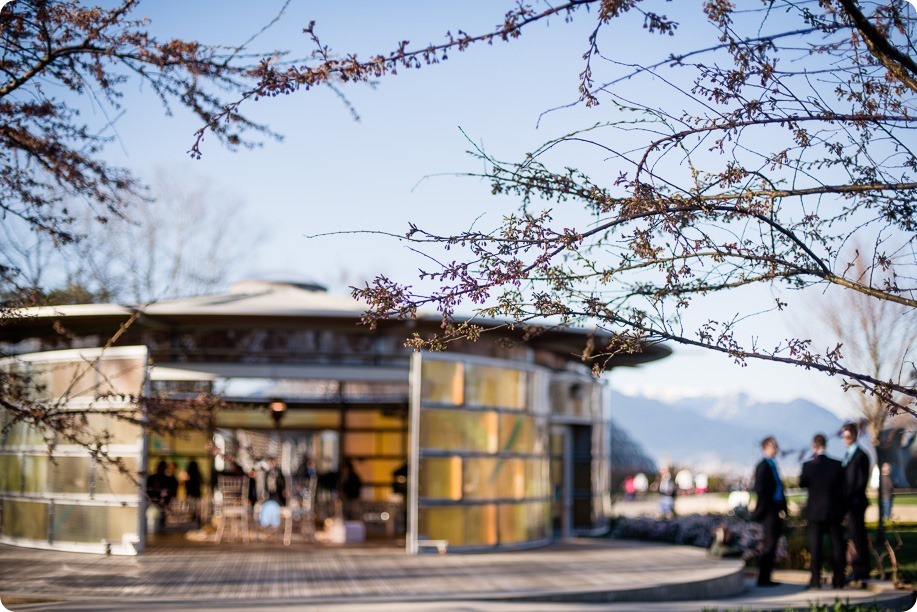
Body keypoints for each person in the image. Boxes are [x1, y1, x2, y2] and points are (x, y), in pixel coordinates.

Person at [799, 433, 845, 590]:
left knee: (816, 547)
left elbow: (802, 483)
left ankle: (815, 581)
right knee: (837, 547)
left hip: (815, 513)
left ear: (814, 445)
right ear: (826, 444)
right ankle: (839, 580)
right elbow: (842, 488)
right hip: (833, 511)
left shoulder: (808, 466)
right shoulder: (837, 464)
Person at [751, 436, 787, 587]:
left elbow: (779, 488)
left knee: (772, 543)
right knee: (769, 544)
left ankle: (766, 576)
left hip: (775, 509)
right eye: (773, 446)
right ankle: (763, 578)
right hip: (769, 511)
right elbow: (760, 489)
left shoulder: (772, 465)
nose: (776, 449)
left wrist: (783, 508)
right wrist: (770, 507)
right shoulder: (763, 466)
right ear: (765, 448)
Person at [842, 422, 871, 585]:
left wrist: (851, 497)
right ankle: (857, 568)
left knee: (859, 536)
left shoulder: (861, 455)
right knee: (854, 536)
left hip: (856, 503)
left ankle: (862, 569)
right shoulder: (848, 454)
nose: (845, 439)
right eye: (843, 436)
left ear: (854, 435)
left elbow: (861, 481)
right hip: (849, 503)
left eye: (847, 436)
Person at [184, 459, 203, 523]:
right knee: (196, 510)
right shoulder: (196, 475)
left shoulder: (188, 475)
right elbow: (202, 482)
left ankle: (192, 521)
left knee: (191, 510)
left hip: (190, 494)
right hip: (196, 494)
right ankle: (196, 521)